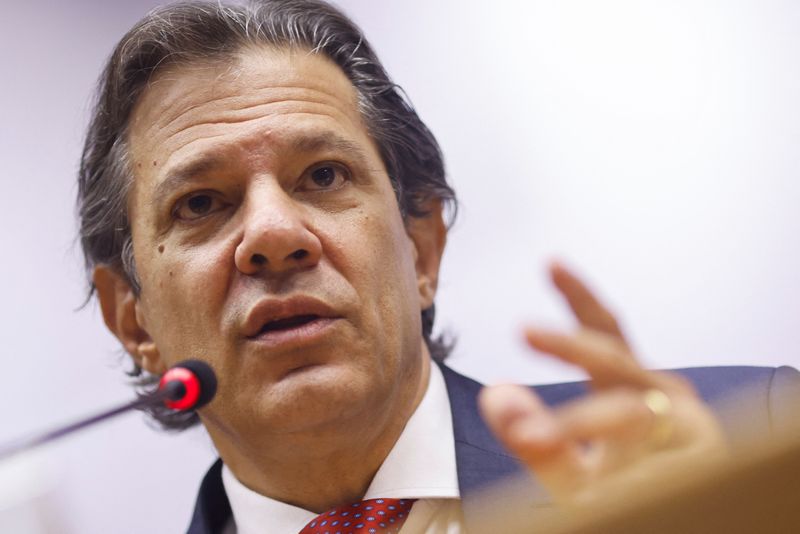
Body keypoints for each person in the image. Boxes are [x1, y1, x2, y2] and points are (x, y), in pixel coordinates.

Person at [76, 1, 800, 532]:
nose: (272, 234)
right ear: (133, 319)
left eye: (324, 176)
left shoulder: (761, 438)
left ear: (422, 248)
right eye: (202, 202)